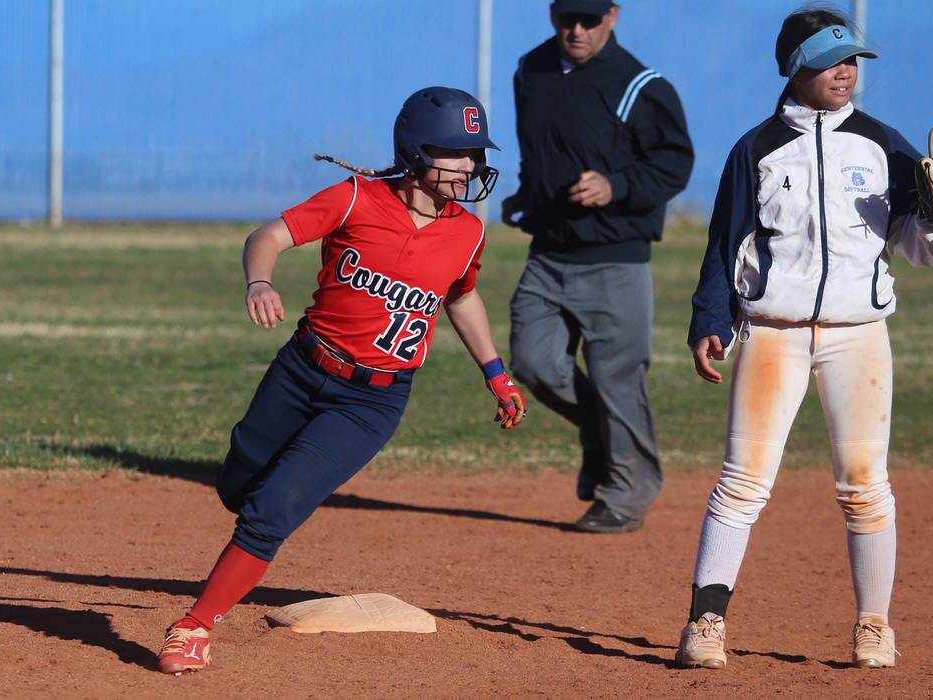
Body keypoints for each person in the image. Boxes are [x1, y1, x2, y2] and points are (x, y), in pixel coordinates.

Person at [155, 86, 526, 675]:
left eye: (474, 154)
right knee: (240, 482)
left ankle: (194, 627)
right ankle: (245, 516)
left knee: (272, 508)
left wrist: (496, 374)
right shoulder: (355, 197)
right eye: (454, 152)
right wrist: (260, 281)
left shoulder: (468, 233)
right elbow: (267, 237)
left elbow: (463, 296)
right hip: (302, 368)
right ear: (414, 152)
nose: (468, 166)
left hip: (371, 401)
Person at [675, 8, 933, 671]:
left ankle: (873, 627)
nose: (845, 71)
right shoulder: (757, 148)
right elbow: (726, 243)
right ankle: (706, 622)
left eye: (853, 60)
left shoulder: (884, 143)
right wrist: (709, 320)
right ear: (793, 69)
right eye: (830, 60)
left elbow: (917, 246)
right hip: (775, 333)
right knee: (742, 484)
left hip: (857, 335)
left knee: (865, 485)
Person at [501, 0, 693, 533]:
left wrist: (618, 186)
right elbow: (539, 146)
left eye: (588, 19)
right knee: (533, 362)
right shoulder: (531, 69)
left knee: (618, 381)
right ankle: (600, 434)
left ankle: (627, 495)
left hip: (616, 259)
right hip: (548, 252)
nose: (576, 29)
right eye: (567, 18)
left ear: (612, 15)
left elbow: (674, 162)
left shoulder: (641, 85)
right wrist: (527, 192)